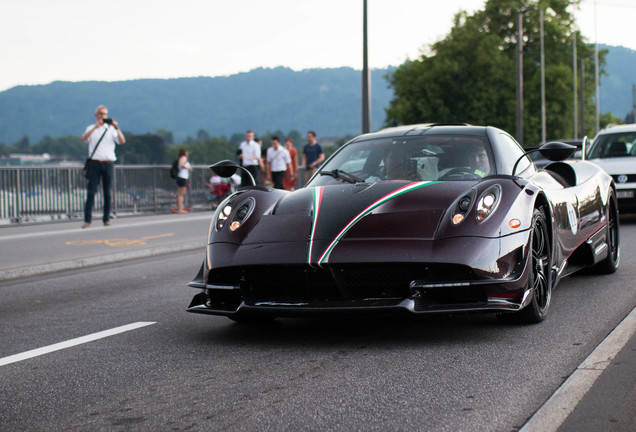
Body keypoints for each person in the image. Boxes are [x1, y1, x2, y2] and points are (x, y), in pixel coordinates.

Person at [81, 105, 126, 228]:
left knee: (108, 193)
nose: (103, 116)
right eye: (100, 114)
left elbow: (122, 141)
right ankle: (87, 220)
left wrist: (116, 127)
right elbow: (84, 138)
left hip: (108, 163)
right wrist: (96, 127)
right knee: (91, 192)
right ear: (96, 115)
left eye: (105, 114)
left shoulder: (111, 129)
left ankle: (106, 218)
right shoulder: (91, 128)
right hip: (95, 163)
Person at [175, 148, 192, 213]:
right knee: (181, 194)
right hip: (182, 177)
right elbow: (182, 165)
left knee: (180, 194)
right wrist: (189, 168)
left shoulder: (181, 158)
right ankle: (180, 209)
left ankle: (180, 208)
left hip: (181, 177)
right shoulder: (184, 157)